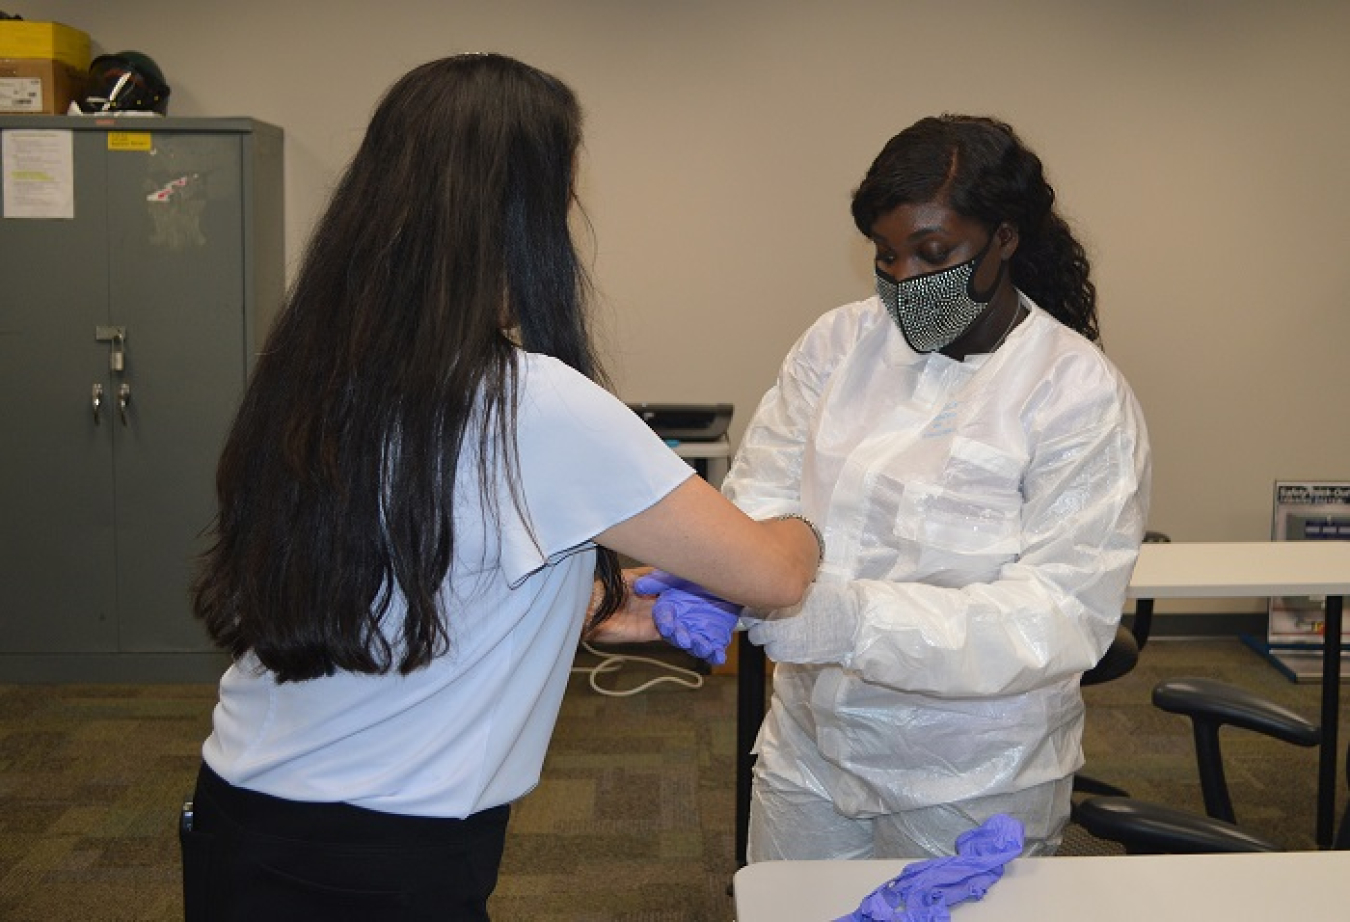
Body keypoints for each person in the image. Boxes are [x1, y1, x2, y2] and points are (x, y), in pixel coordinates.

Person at [181, 54, 821, 922]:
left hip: (245, 816)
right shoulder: (533, 402)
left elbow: (408, 572)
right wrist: (816, 516)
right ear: (522, 221)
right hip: (387, 856)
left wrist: (591, 602)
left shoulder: (319, 371)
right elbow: (775, 575)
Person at [649, 114, 1151, 860]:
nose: (904, 281)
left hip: (971, 775)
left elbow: (1058, 617)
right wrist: (731, 574)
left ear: (1004, 239)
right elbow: (764, 491)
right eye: (886, 256)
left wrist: (850, 621)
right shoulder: (837, 345)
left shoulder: (1076, 395)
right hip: (813, 743)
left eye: (933, 253)